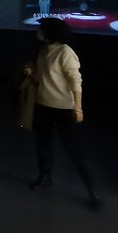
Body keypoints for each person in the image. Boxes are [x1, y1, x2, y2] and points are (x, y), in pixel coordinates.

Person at [24, 18, 102, 209]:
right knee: (43, 145)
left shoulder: (65, 52)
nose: (38, 31)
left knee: (75, 150)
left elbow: (75, 80)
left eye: (41, 29)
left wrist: (78, 107)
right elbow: (44, 78)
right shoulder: (43, 50)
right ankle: (45, 177)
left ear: (50, 32)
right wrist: (31, 74)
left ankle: (93, 192)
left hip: (64, 108)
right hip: (44, 105)